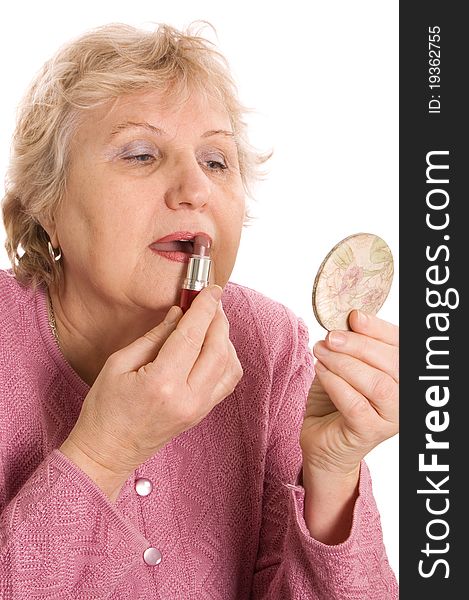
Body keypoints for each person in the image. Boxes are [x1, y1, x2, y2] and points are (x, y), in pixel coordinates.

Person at [0, 22, 399, 599]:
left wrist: (333, 475)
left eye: (217, 162)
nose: (194, 189)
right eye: (140, 154)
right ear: (47, 206)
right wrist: (103, 452)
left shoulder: (269, 343)